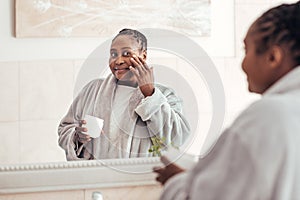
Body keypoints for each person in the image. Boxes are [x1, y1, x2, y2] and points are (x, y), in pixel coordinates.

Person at [154, 1, 300, 199]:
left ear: (273, 57)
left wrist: (179, 183)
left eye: (246, 50)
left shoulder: (269, 117)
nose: (243, 64)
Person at [58, 28, 191, 160]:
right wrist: (77, 137)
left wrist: (150, 95)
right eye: (114, 54)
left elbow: (177, 138)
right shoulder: (92, 90)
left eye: (126, 53)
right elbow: (65, 128)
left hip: (138, 178)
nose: (118, 61)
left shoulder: (166, 95)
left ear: (143, 56)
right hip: (96, 176)